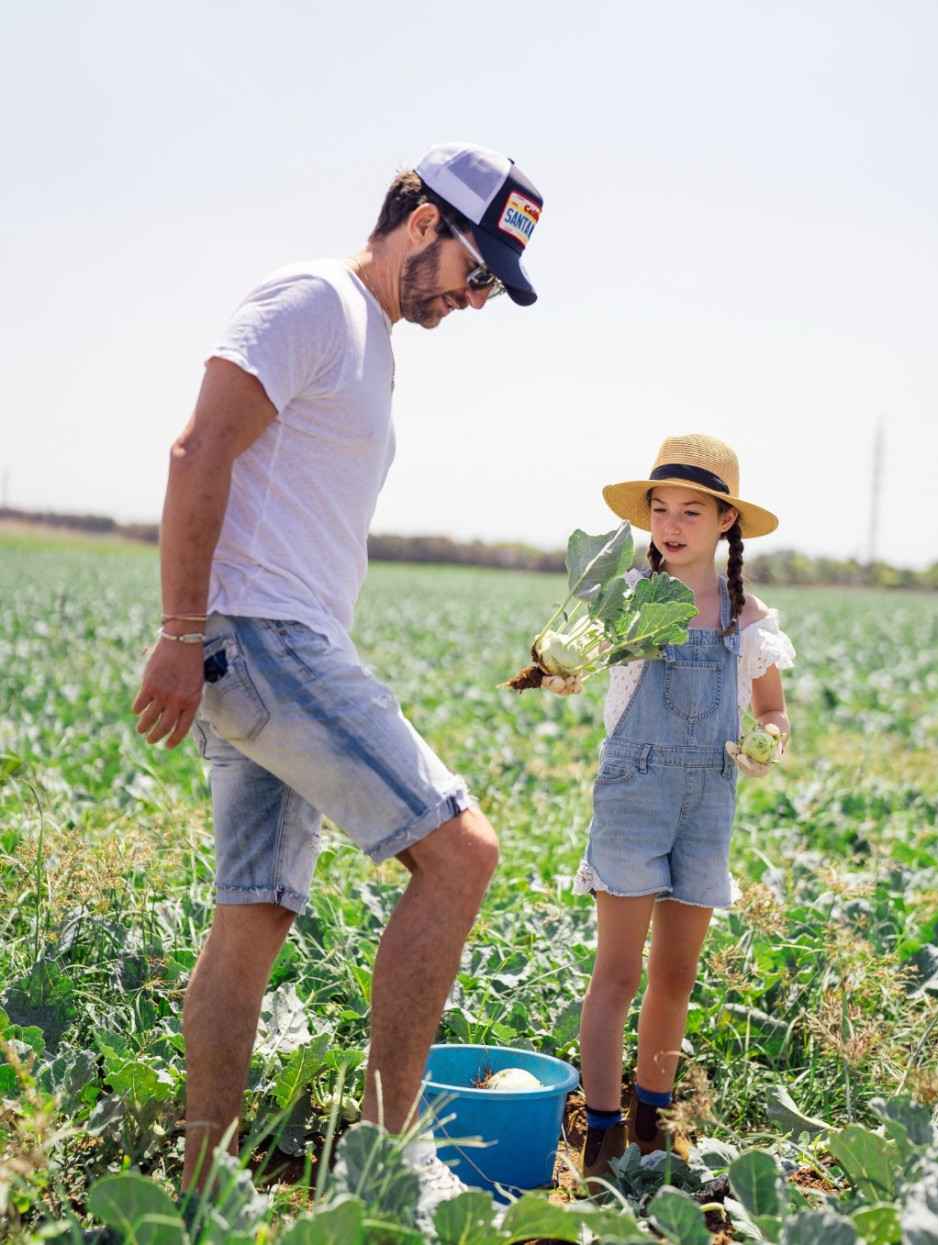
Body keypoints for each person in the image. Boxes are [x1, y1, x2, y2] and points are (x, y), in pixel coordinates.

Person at [131, 142, 544, 1202]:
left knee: (253, 914)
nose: (478, 297)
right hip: (264, 637)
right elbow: (199, 451)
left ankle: (200, 1189)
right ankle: (381, 1166)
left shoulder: (373, 343)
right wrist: (182, 635)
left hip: (270, 641)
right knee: (462, 855)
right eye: (477, 267)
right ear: (421, 222)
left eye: (495, 282)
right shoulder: (315, 299)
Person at [568, 433, 794, 1195]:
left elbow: (771, 709)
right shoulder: (624, 595)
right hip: (633, 794)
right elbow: (581, 655)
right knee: (617, 973)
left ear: (726, 520)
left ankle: (650, 1120)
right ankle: (600, 1130)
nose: (670, 523)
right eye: (660, 508)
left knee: (675, 976)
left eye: (691, 510)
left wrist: (771, 745)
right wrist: (562, 665)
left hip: (707, 805)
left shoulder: (747, 615)